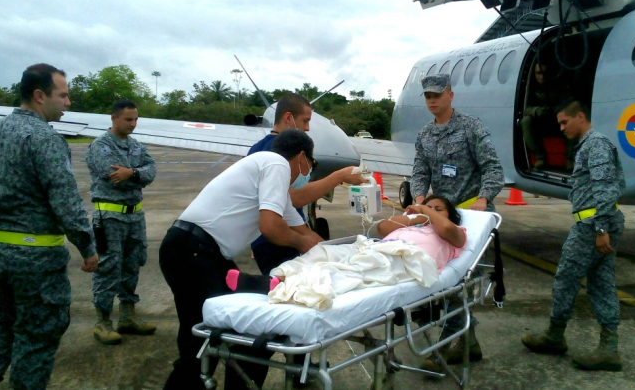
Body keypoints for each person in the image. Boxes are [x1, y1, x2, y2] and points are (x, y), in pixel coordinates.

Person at [159, 128, 322, 390]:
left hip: (199, 252)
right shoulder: (276, 163)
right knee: (203, 343)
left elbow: (306, 234)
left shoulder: (270, 177)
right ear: (302, 157)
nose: (308, 172)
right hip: (193, 251)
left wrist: (334, 254)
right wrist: (301, 242)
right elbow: (271, 227)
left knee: (245, 333)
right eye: (311, 165)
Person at [0, 64, 98, 390]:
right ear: (40, 96)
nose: (68, 102)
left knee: (5, 322)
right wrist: (88, 247)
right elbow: (66, 202)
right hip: (35, 257)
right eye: (63, 95)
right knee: (37, 333)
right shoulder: (46, 140)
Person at [521, 98, 626, 372]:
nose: (562, 128)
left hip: (592, 225)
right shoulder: (588, 146)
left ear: (580, 117)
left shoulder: (596, 145)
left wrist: (601, 229)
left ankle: (555, 336)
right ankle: (609, 348)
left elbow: (605, 187)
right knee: (601, 283)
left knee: (566, 279)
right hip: (598, 222)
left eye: (565, 122)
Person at [410, 73, 504, 370]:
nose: (432, 100)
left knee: (460, 282)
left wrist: (484, 197)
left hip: (471, 217)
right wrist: (418, 198)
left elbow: (493, 168)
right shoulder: (425, 134)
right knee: (449, 281)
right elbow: (420, 170)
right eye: (427, 95)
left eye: (437, 94)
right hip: (441, 217)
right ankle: (469, 343)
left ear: (450, 95)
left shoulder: (470, 127)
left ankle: (446, 346)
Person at [226, 195, 467, 307]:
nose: (432, 211)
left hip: (407, 261)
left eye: (439, 208)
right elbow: (382, 228)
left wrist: (426, 208)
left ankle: (282, 287)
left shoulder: (455, 232)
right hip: (376, 248)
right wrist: (414, 217)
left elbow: (446, 227)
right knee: (324, 253)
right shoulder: (414, 223)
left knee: (346, 271)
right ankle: (275, 278)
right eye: (431, 207)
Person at [248, 92, 367, 276]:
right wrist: (338, 176)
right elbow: (294, 198)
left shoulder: (257, 148)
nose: (308, 128)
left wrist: (331, 252)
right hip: (278, 243)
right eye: (305, 121)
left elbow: (288, 208)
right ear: (288, 118)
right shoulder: (278, 155)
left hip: (275, 239)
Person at [86, 99, 157, 345]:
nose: (133, 124)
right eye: (128, 119)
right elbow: (112, 174)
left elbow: (151, 170)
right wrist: (135, 174)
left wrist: (133, 173)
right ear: (114, 118)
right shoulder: (100, 146)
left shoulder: (136, 145)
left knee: (132, 265)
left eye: (136, 119)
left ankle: (127, 316)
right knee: (108, 268)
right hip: (110, 217)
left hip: (134, 216)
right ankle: (102, 322)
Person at [521, 63, 558, 169]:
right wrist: (537, 110)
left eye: (545, 73)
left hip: (557, 121)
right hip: (540, 123)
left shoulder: (557, 86)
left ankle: (570, 159)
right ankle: (540, 157)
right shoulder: (530, 87)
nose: (542, 77)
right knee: (526, 121)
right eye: (538, 73)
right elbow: (524, 108)